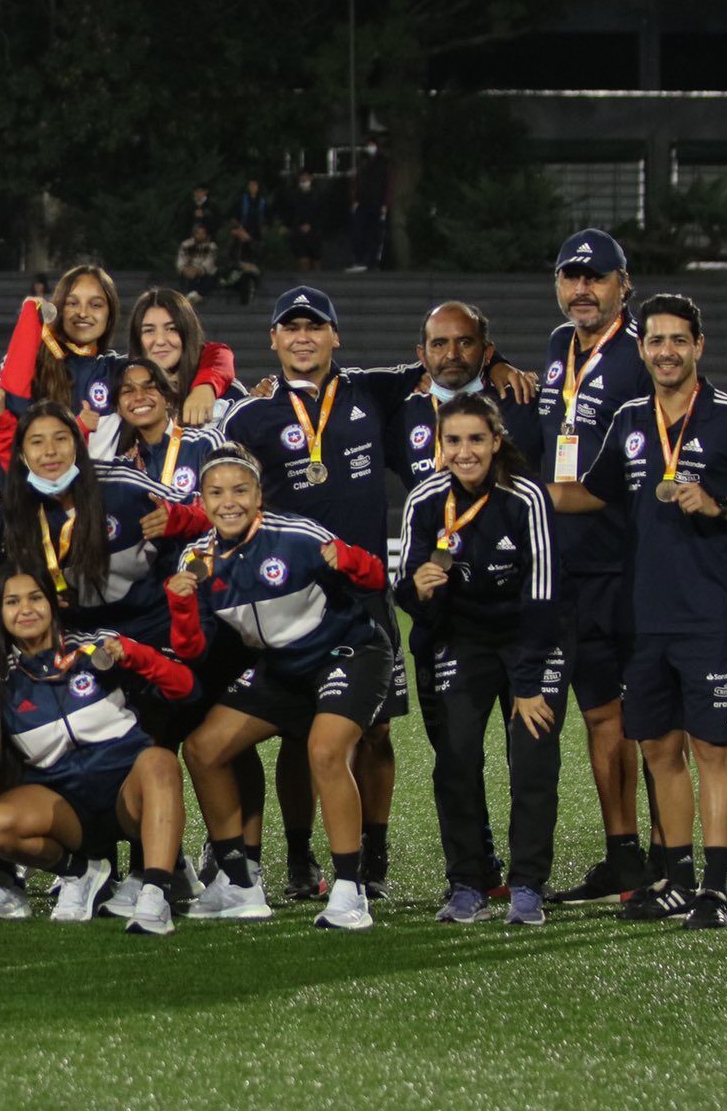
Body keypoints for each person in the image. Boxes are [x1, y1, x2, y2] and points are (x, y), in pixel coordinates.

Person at [550, 293, 727, 930]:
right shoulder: (630, 418)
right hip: (644, 615)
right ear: (643, 349)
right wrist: (511, 480)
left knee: (712, 749)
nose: (666, 351)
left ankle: (714, 889)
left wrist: (718, 506)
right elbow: (589, 494)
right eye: (655, 341)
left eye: (678, 340)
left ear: (698, 346)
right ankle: (677, 881)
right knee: (659, 748)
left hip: (710, 613)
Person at [216, 285, 431, 898]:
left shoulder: (371, 389)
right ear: (274, 340)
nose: (303, 336)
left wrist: (494, 363)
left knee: (377, 731)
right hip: (292, 598)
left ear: (336, 336)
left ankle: (374, 858)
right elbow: (225, 496)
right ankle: (302, 857)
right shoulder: (250, 416)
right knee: (297, 733)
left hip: (364, 593)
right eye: (292, 327)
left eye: (316, 326)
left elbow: (441, 362)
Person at [167, 445, 395, 930]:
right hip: (283, 667)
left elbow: (375, 578)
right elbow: (191, 650)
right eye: (216, 493)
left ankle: (350, 891)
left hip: (349, 654)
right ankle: (239, 882)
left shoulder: (295, 536)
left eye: (240, 490)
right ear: (202, 502)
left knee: (325, 752)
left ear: (258, 495)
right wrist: (183, 607)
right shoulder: (196, 558)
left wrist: (350, 559)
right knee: (204, 748)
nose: (229, 502)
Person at [0, 571, 194, 929]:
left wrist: (136, 657)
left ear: (54, 603)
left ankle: (154, 893)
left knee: (160, 762)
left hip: (127, 799)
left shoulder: (95, 647)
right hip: (67, 816)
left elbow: (184, 686)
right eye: (12, 602)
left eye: (35, 598)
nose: (25, 609)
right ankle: (82, 873)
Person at [395, 394, 563, 926]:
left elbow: (544, 595)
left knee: (533, 761)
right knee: (457, 759)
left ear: (495, 442)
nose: (464, 451)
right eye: (453, 441)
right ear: (439, 446)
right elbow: (406, 589)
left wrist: (529, 682)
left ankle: (528, 885)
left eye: (475, 439)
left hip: (529, 639)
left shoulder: (526, 496)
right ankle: (468, 880)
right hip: (462, 641)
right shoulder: (424, 499)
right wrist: (419, 590)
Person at [533, 229, 655, 907]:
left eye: (596, 278)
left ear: (622, 284)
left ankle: (671, 862)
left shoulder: (644, 355)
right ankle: (624, 859)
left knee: (651, 721)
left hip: (627, 564)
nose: (582, 289)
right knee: (599, 715)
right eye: (571, 277)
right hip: (568, 566)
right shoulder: (558, 348)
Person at [0, 402, 207, 642]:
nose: (50, 451)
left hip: (153, 627)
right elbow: (3, 584)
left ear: (77, 444)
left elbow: (209, 511)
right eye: (37, 442)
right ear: (22, 453)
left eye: (60, 439)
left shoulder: (122, 485)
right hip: (76, 640)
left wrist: (182, 518)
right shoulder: (16, 511)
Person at [388, 302, 543, 492]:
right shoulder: (401, 416)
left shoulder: (524, 401)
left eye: (465, 343)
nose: (452, 354)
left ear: (488, 353)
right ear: (422, 355)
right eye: (439, 344)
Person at [0, 264, 130, 459]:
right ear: (58, 308)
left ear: (110, 314)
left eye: (96, 305)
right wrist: (30, 320)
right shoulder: (34, 365)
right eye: (72, 303)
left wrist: (194, 389)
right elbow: (14, 414)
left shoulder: (119, 370)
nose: (83, 313)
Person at [125, 287, 243, 426]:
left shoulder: (228, 394)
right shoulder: (122, 388)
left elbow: (219, 354)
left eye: (171, 329)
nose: (161, 340)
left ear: (188, 332)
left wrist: (206, 386)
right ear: (138, 339)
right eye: (149, 330)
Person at [113, 358, 222, 499]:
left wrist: (177, 513)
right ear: (119, 409)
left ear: (168, 399)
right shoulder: (126, 466)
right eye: (128, 391)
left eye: (149, 387)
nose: (139, 397)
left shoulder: (203, 444)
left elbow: (226, 501)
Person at [347, 137, 389, 272]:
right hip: (363, 202)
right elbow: (357, 183)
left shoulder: (382, 163)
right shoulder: (363, 161)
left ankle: (371, 262)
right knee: (359, 231)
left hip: (376, 203)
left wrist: (384, 203)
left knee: (374, 234)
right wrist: (355, 200)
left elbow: (386, 184)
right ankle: (360, 260)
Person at [283, 169, 325, 272]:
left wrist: (312, 225)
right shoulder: (293, 195)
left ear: (311, 178)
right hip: (298, 231)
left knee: (316, 258)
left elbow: (323, 213)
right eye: (302, 177)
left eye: (306, 177)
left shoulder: (318, 194)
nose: (304, 179)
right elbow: (290, 213)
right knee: (302, 258)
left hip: (314, 231)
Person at [220, 220, 262, 305]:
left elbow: (259, 258)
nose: (240, 233)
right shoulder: (232, 242)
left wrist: (249, 241)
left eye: (243, 231)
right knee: (244, 277)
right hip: (233, 272)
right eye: (240, 230)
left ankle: (246, 304)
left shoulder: (254, 244)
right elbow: (224, 259)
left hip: (250, 274)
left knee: (247, 277)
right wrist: (240, 265)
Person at [175, 224, 216, 301]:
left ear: (206, 234)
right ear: (194, 234)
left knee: (209, 279)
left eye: (202, 233)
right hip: (188, 271)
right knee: (189, 277)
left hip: (204, 273)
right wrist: (184, 269)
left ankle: (194, 297)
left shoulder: (211, 246)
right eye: (198, 233)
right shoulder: (186, 244)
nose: (200, 235)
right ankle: (191, 298)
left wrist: (198, 270)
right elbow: (181, 259)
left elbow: (209, 261)